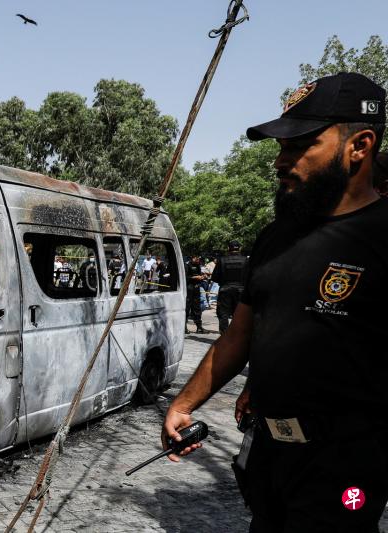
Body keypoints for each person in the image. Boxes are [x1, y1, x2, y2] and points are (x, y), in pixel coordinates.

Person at [162, 72, 386, 532]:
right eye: (281, 147)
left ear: (359, 145)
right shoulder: (275, 235)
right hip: (268, 451)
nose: (281, 161)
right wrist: (185, 404)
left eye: (300, 145)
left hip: (344, 464)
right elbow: (240, 334)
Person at [211, 241, 247, 334]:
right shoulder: (245, 260)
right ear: (239, 248)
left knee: (223, 314)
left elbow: (214, 277)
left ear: (228, 248)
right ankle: (238, 336)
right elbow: (250, 276)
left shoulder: (222, 260)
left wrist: (223, 282)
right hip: (241, 291)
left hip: (225, 290)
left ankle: (224, 336)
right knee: (239, 315)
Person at [184, 255, 207, 333]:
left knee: (197, 308)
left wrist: (202, 277)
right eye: (196, 258)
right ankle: (184, 327)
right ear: (192, 258)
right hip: (189, 288)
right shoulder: (187, 265)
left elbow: (199, 275)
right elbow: (185, 277)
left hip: (196, 288)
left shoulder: (198, 266)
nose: (197, 260)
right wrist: (194, 277)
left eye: (198, 258)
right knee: (187, 308)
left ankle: (199, 327)